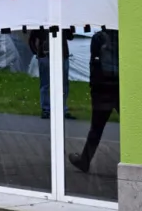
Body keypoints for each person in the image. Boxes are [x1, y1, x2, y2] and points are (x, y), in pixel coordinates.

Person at [69, 29, 120, 173]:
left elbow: (95, 64)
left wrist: (94, 87)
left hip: (103, 88)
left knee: (96, 128)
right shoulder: (123, 35)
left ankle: (84, 161)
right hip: (120, 85)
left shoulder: (99, 38)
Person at [28, 28, 76, 119]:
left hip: (61, 55)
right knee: (46, 83)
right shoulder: (42, 23)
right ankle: (46, 109)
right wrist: (37, 53)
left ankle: (61, 109)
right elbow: (32, 39)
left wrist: (70, 28)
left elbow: (70, 36)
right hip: (46, 55)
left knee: (63, 83)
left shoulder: (63, 23)